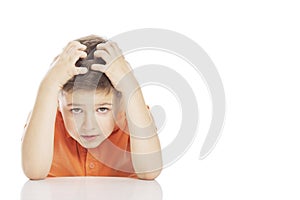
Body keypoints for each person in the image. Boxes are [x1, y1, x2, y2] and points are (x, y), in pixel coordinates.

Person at [21, 35, 162, 180]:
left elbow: (149, 172)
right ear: (58, 103)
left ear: (123, 104)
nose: (89, 126)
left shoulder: (134, 114)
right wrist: (48, 85)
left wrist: (130, 86)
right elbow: (34, 172)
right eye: (76, 110)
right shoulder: (46, 117)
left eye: (102, 109)